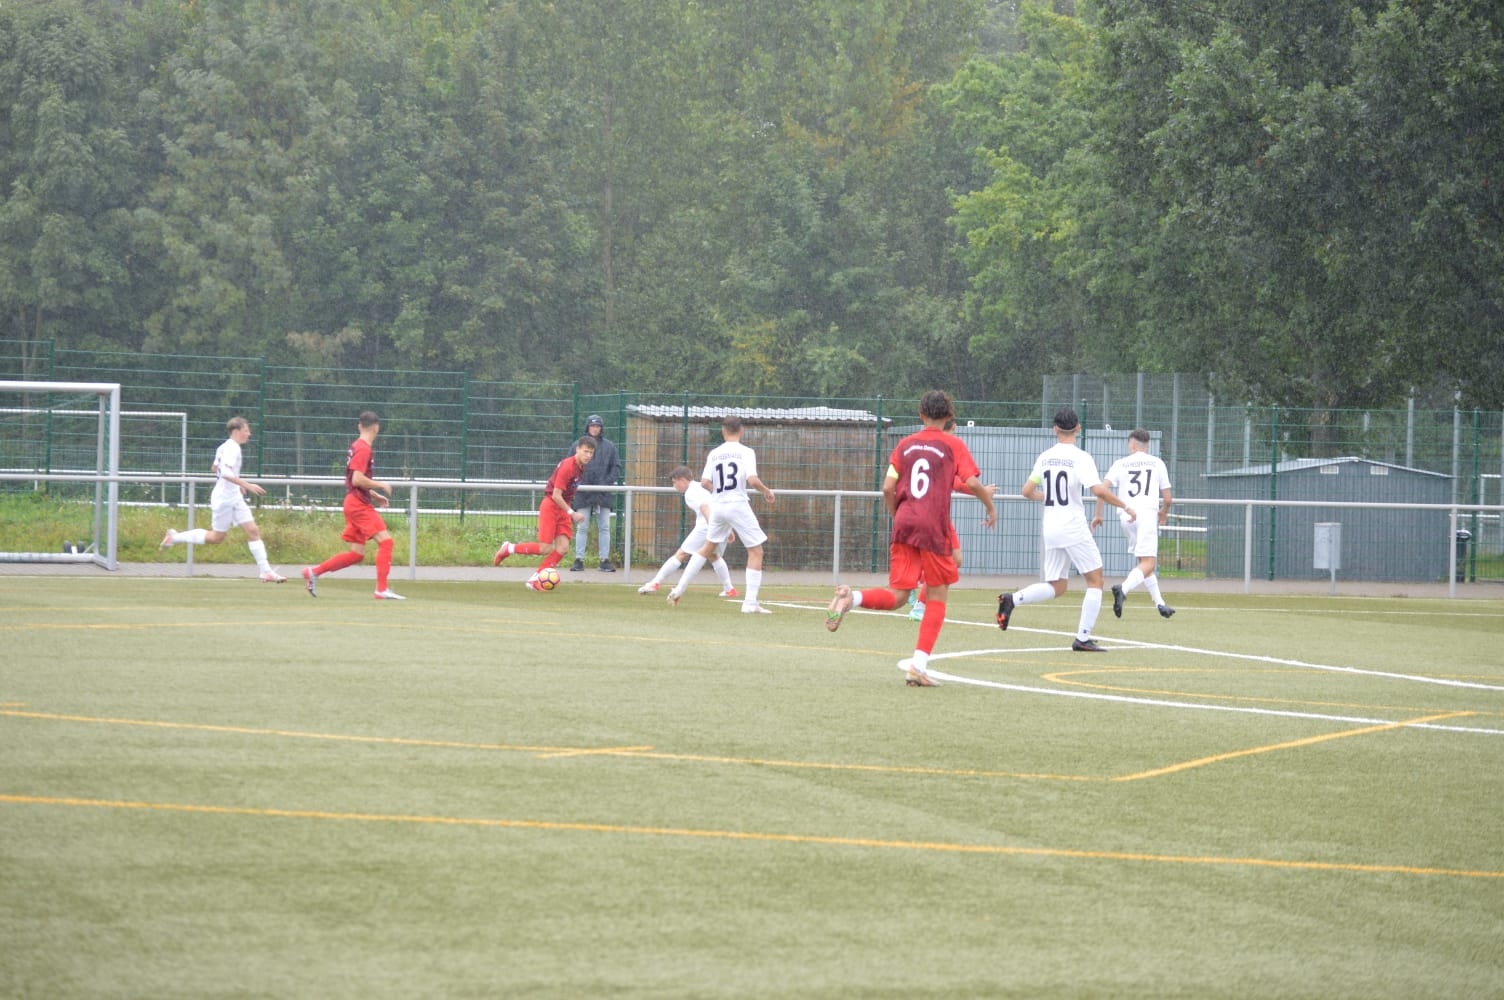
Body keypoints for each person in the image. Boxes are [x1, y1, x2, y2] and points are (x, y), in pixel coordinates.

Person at [825, 390, 997, 687]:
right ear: (949, 416)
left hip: (905, 521)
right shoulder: (953, 444)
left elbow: (887, 487)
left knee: (898, 595)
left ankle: (851, 598)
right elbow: (971, 482)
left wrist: (898, 515)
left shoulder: (904, 445)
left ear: (921, 415)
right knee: (937, 597)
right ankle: (918, 667)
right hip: (933, 526)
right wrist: (990, 507)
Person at [994, 406, 1134, 652]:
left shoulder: (1045, 457)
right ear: (1078, 428)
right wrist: (1126, 506)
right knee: (1096, 579)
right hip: (1072, 525)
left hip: (1051, 526)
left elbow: (1026, 491)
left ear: (1055, 429)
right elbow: (1098, 490)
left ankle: (1012, 599)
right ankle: (1082, 637)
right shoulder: (1081, 457)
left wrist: (1046, 496)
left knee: (1057, 585)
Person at [665, 415, 775, 613]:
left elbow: (705, 482)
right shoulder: (746, 451)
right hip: (737, 503)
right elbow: (752, 480)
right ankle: (750, 603)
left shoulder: (714, 453)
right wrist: (767, 491)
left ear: (723, 431)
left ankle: (679, 588)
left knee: (706, 548)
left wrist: (719, 492)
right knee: (756, 551)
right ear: (741, 430)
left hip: (717, 505)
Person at [159, 416, 285, 583]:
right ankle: (174, 537)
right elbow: (224, 472)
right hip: (224, 499)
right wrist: (246, 484)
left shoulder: (224, 446)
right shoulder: (232, 448)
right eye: (246, 430)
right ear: (236, 431)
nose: (249, 433)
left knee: (253, 531)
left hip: (234, 497)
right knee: (216, 538)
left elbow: (215, 468)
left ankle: (266, 572)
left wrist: (236, 484)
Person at [301, 411, 404, 600]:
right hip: (358, 505)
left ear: (359, 426)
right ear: (376, 428)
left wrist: (374, 495)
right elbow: (357, 479)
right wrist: (380, 485)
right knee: (386, 542)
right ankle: (381, 589)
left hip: (353, 501)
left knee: (357, 554)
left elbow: (353, 480)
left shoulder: (356, 446)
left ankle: (313, 572)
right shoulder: (363, 448)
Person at [910, 417, 996, 621]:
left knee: (950, 560)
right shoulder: (949, 447)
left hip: (918, 514)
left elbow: (954, 482)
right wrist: (984, 496)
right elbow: (964, 482)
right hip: (935, 517)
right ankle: (920, 603)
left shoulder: (919, 445)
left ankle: (916, 586)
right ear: (954, 426)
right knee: (950, 561)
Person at [1093, 428, 1175, 619]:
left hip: (1127, 516)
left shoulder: (1121, 463)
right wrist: (1163, 512)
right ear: (1148, 446)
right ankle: (1123, 589)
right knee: (1149, 563)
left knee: (1143, 563)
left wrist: (1098, 514)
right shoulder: (1157, 463)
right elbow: (1168, 498)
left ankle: (1160, 604)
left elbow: (1102, 490)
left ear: (1131, 445)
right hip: (1146, 515)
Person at [494, 436, 594, 591]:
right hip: (552, 505)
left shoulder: (581, 467)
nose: (588, 455)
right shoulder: (568, 466)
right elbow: (556, 495)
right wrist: (572, 513)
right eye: (585, 451)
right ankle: (509, 548)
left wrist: (567, 510)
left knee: (563, 548)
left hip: (563, 507)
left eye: (591, 453)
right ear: (577, 449)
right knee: (545, 548)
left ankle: (535, 580)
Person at [636, 466, 738, 597]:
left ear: (683, 480)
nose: (674, 486)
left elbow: (705, 507)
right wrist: (728, 528)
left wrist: (712, 526)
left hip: (706, 526)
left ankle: (655, 583)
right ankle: (729, 589)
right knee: (713, 555)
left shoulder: (690, 492)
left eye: (675, 482)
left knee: (682, 554)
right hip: (721, 524)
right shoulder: (702, 487)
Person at [570, 414, 622, 572]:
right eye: (592, 426)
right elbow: (570, 465)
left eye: (598, 426)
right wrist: (578, 484)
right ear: (587, 427)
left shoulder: (609, 447)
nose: (595, 428)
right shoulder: (577, 445)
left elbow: (616, 468)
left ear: (601, 428)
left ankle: (604, 560)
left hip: (603, 493)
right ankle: (579, 560)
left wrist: (605, 483)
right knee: (582, 527)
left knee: (604, 527)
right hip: (583, 493)